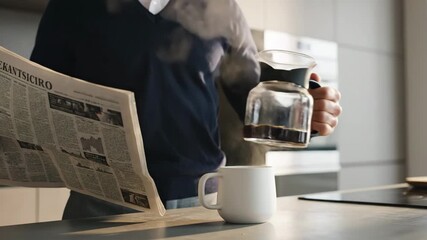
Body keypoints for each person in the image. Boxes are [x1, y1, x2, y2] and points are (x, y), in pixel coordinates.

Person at [30, 0, 342, 219]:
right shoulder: (72, 4)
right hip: (100, 201)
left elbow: (255, 102)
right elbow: (35, 95)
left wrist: (308, 112)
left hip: (200, 199)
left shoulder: (223, 8)